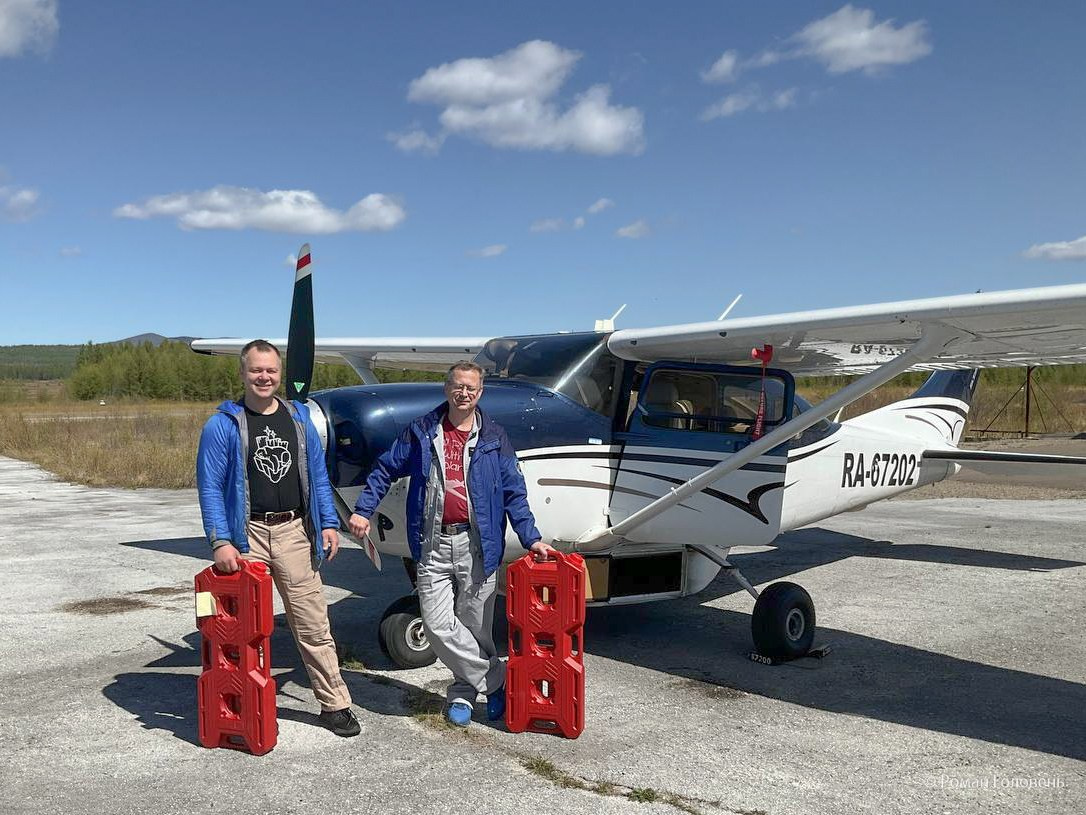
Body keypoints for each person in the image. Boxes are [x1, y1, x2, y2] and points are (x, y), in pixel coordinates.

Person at [348, 361, 552, 727]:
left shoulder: (494, 437)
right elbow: (384, 469)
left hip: (478, 544)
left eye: (471, 388)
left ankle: (461, 693)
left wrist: (530, 537)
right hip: (433, 544)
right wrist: (364, 509)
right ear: (447, 389)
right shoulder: (423, 431)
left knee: (476, 629)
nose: (464, 393)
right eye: (458, 386)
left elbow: (513, 492)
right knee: (439, 625)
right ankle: (496, 682)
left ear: (480, 393)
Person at [196, 339, 361, 737]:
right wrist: (221, 540)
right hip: (247, 534)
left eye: (270, 370)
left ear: (279, 374)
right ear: (243, 373)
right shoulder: (223, 424)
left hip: (293, 532)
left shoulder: (299, 419)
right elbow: (211, 486)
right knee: (239, 628)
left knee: (312, 622)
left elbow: (318, 476)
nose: (264, 377)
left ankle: (334, 703)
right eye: (256, 370)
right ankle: (239, 699)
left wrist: (327, 523)